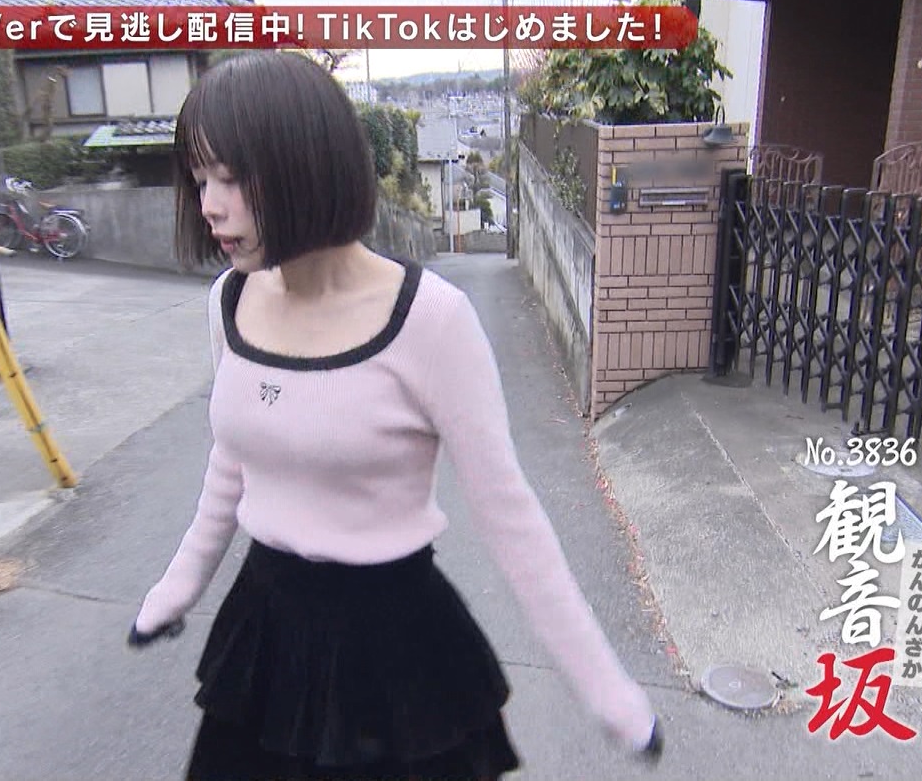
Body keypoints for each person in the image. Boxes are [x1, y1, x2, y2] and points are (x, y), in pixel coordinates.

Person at [127, 50, 663, 780]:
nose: (210, 206)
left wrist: (608, 692)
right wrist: (177, 587)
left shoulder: (429, 318)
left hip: (395, 649)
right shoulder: (230, 301)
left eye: (230, 178)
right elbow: (237, 457)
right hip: (266, 630)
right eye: (199, 181)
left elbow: (509, 515)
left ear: (304, 165)